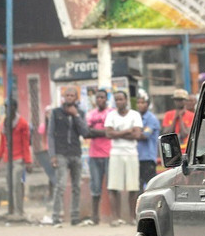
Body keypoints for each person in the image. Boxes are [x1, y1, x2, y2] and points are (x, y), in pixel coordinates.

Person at [47, 88, 89, 226]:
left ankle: (75, 217)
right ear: (63, 97)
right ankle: (56, 217)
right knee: (61, 185)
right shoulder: (56, 113)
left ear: (76, 98)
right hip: (61, 154)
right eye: (67, 95)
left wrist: (76, 115)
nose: (69, 97)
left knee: (77, 186)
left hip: (76, 153)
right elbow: (50, 134)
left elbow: (85, 132)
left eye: (72, 95)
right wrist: (52, 154)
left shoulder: (80, 113)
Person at [105, 91, 143, 226]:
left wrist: (117, 133)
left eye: (121, 99)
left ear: (126, 100)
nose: (119, 102)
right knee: (113, 187)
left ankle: (132, 217)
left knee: (133, 187)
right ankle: (115, 218)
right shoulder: (111, 115)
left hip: (131, 153)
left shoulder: (135, 115)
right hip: (116, 153)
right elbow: (108, 134)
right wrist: (127, 131)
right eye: (116, 99)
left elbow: (137, 135)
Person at [0, 98, 33, 218]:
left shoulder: (22, 123)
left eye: (9, 107)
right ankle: (11, 210)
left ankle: (19, 211)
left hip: (19, 159)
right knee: (10, 185)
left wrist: (28, 161)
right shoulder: (4, 124)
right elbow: (2, 143)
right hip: (8, 159)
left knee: (17, 184)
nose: (7, 110)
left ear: (15, 108)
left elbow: (25, 143)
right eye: (5, 107)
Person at [85, 89, 112, 225]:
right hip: (94, 155)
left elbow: (111, 132)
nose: (100, 99)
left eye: (102, 97)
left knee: (111, 186)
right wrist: (103, 132)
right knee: (95, 186)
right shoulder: (90, 114)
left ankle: (113, 216)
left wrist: (94, 131)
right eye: (98, 97)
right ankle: (95, 216)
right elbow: (86, 132)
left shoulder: (111, 113)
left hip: (109, 154)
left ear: (106, 99)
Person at [136, 95, 160, 192]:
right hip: (137, 157)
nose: (140, 105)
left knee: (150, 186)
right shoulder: (136, 117)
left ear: (148, 104)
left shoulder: (151, 119)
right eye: (138, 103)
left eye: (143, 102)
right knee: (138, 187)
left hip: (148, 158)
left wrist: (131, 133)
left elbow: (144, 135)